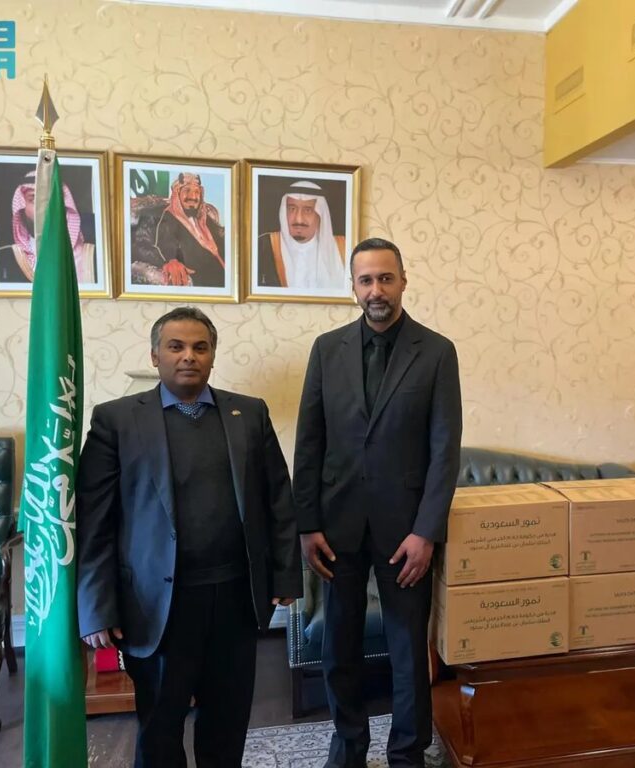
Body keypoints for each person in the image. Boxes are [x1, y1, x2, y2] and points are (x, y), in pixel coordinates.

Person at [76, 306, 301, 768]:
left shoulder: (249, 413)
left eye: (200, 347)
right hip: (157, 605)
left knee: (227, 723)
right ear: (155, 355)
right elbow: (96, 520)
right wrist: (97, 606)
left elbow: (278, 499)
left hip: (235, 599)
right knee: (160, 728)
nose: (188, 356)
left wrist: (285, 577)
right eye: (175, 346)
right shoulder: (116, 420)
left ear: (213, 356)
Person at [293, 237, 462, 768]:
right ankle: (348, 747)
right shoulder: (327, 349)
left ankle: (407, 753)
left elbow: (444, 450)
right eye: (365, 280)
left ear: (403, 281)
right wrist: (307, 523)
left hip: (405, 531)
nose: (376, 290)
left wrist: (426, 531)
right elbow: (309, 442)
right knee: (338, 648)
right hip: (336, 528)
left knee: (408, 651)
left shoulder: (436, 352)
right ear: (353, 287)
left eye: (385, 278)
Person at [0, 170, 96, 284]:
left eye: (51, 200)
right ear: (22, 206)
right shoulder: (3, 258)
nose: (42, 208)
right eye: (33, 199)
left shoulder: (93, 257)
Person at [257, 180, 346, 290]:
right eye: (292, 209)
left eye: (308, 210)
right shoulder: (262, 247)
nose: (298, 219)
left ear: (320, 214)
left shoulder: (343, 248)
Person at [147, 173, 226, 288]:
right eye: (187, 190)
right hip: (203, 283)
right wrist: (171, 261)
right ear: (177, 195)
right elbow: (165, 243)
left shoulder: (204, 218)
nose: (193, 197)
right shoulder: (168, 218)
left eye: (197, 192)